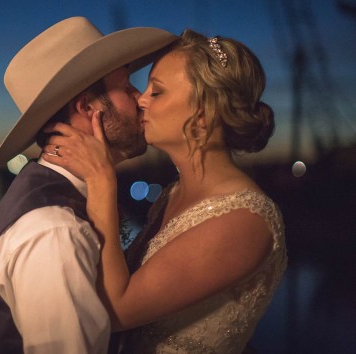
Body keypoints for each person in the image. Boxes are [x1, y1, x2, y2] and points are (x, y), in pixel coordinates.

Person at [42, 29, 287, 353]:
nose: (140, 100)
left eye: (156, 92)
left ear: (203, 115)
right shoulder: (172, 193)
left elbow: (116, 311)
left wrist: (102, 179)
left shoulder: (243, 222)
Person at [0, 17, 177, 354]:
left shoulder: (47, 197)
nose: (140, 99)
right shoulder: (55, 231)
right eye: (126, 86)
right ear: (87, 107)